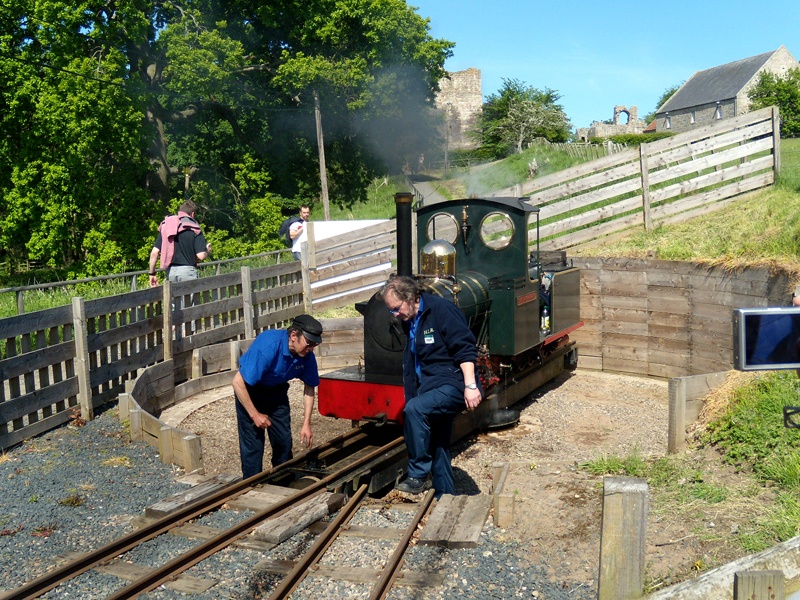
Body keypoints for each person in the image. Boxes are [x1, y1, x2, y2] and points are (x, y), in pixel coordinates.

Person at [381, 275, 482, 497]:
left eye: (396, 308)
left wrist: (471, 386)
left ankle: (417, 475)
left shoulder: (441, 310)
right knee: (438, 443)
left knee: (415, 409)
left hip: (453, 385)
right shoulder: (410, 321)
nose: (395, 315)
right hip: (429, 388)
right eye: (391, 311)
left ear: (410, 297)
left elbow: (465, 348)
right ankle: (445, 496)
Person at [232, 314, 323, 479]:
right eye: (309, 343)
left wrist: (306, 424)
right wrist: (255, 415)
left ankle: (283, 483)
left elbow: (309, 387)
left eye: (314, 345)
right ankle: (251, 488)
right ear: (294, 336)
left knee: (284, 443)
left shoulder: (307, 356)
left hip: (277, 392)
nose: (310, 349)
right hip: (251, 391)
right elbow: (238, 382)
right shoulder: (268, 346)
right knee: (253, 446)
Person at [148, 200, 211, 287]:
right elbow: (201, 256)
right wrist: (207, 251)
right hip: (188, 272)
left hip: (171, 273)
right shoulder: (195, 228)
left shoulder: (167, 226)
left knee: (173, 300)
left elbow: (154, 253)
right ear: (192, 214)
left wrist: (152, 274)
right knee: (187, 300)